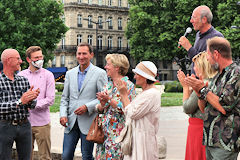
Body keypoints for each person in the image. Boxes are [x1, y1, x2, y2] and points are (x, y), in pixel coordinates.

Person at [185, 37, 240, 159]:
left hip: (225, 143)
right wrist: (198, 91)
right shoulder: (218, 76)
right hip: (210, 141)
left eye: (208, 55)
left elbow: (224, 106)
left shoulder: (236, 73)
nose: (207, 59)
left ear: (216, 54)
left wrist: (203, 89)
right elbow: (204, 108)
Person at [60, 42, 108, 160]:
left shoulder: (100, 73)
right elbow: (64, 98)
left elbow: (103, 98)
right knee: (66, 156)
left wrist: (87, 106)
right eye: (79, 53)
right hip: (70, 122)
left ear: (91, 55)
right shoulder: (70, 74)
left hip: (89, 121)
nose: (81, 57)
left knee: (86, 156)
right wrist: (63, 115)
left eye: (84, 54)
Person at [177, 51, 217, 160]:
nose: (194, 68)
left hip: (198, 129)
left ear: (202, 66)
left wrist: (185, 87)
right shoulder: (215, 81)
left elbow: (187, 108)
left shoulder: (203, 83)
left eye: (195, 66)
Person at [0, 49, 39, 160]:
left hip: (25, 125)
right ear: (8, 61)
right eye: (17, 58)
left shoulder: (23, 80)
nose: (21, 61)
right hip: (4, 126)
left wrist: (31, 99)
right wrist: (20, 101)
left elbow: (31, 106)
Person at [95, 54, 136, 160]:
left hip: (118, 137)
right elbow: (100, 109)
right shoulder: (107, 85)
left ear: (117, 67)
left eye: (108, 64)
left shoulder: (128, 86)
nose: (105, 67)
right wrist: (102, 105)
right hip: (103, 137)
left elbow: (127, 110)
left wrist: (108, 100)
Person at [118, 61, 161, 160]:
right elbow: (129, 112)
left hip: (143, 141)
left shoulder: (152, 94)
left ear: (145, 77)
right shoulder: (145, 93)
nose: (135, 77)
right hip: (137, 139)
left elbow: (133, 114)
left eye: (137, 74)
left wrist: (124, 96)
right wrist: (124, 97)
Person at [18, 46, 55, 160]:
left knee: (45, 156)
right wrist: (25, 101)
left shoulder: (48, 75)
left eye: (41, 56)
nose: (40, 59)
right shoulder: (20, 76)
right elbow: (18, 98)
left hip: (42, 123)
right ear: (29, 59)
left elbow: (50, 99)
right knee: (25, 156)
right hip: (24, 122)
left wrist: (32, 103)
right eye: (36, 57)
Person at [178, 5, 223, 74]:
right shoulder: (198, 35)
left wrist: (189, 47)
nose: (191, 21)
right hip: (197, 82)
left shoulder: (216, 37)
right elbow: (195, 60)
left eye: (194, 18)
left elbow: (207, 65)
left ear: (204, 20)